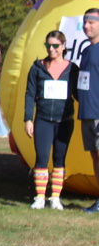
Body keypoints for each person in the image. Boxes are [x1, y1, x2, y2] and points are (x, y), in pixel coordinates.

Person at [24, 30, 78, 210]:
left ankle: (55, 198)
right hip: (43, 120)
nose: (51, 49)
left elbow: (79, 93)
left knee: (59, 159)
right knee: (42, 157)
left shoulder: (72, 69)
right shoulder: (37, 67)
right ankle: (40, 197)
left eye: (55, 45)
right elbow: (30, 94)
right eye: (48, 45)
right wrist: (28, 119)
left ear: (63, 46)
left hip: (65, 121)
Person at [78, 8, 99, 213]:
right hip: (87, 112)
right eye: (85, 22)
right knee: (95, 155)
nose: (86, 26)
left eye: (91, 22)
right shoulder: (86, 51)